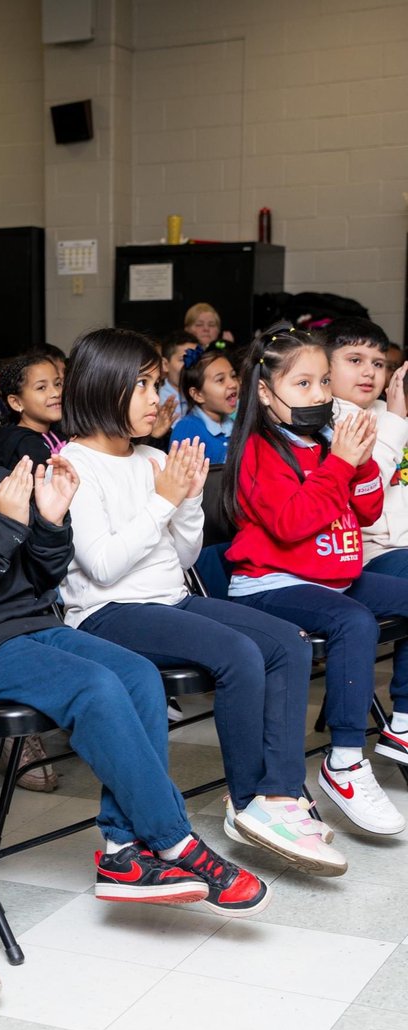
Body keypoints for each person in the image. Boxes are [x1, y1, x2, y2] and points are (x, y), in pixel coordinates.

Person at [0, 325, 269, 916]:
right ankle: (174, 838)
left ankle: (122, 847)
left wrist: (49, 524)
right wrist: (9, 526)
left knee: (136, 675)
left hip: (23, 626)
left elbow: (34, 577)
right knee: (95, 685)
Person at [59, 328, 342, 874]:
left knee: (286, 641)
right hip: (107, 614)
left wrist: (186, 502)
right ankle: (248, 800)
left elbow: (184, 553)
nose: (155, 399)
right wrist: (164, 501)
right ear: (101, 387)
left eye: (156, 384)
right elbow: (103, 565)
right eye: (141, 386)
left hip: (169, 597)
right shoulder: (74, 465)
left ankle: (281, 794)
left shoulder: (148, 458)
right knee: (237, 652)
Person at [222, 323, 408, 836]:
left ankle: (404, 721)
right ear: (264, 391)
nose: (319, 395)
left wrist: (360, 457)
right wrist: (340, 465)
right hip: (272, 583)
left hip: (333, 576)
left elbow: (368, 509)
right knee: (353, 622)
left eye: (324, 382)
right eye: (302, 384)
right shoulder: (259, 449)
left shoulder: (328, 442)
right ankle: (345, 760)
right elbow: (291, 523)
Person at [320, 320, 408, 582]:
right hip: (372, 554)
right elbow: (369, 493)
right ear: (324, 368)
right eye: (355, 360)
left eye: (378, 364)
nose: (369, 372)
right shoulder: (326, 421)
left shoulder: (389, 411)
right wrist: (395, 419)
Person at [0, 352, 66, 470]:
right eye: (41, 387)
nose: (56, 393)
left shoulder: (59, 432)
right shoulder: (21, 445)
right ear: (16, 403)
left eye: (58, 384)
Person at [171, 343, 239, 464]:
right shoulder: (188, 430)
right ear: (198, 395)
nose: (233, 384)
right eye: (220, 380)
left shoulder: (234, 425)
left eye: (233, 376)